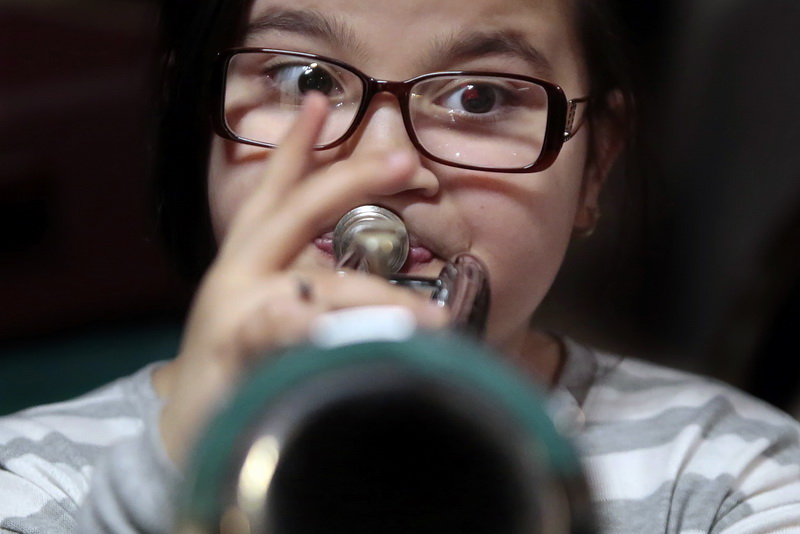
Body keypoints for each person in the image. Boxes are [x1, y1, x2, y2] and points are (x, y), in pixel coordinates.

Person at [1, 0, 799, 532]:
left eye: (482, 98)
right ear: (198, 126)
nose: (387, 163)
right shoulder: (28, 481)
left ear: (594, 170)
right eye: (303, 79)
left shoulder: (742, 479)